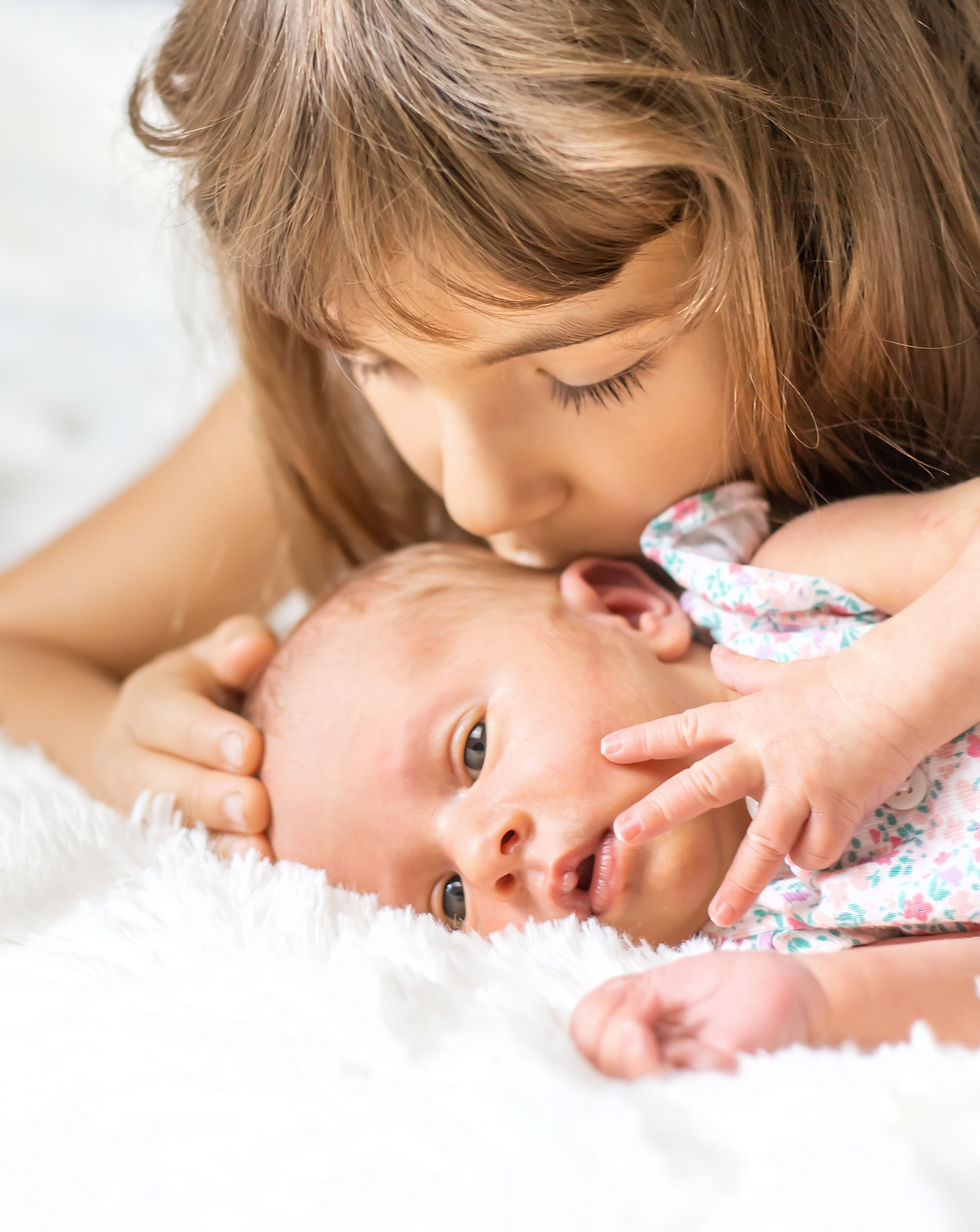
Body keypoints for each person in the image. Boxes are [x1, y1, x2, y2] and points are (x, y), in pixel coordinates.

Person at [0, 2, 976, 923]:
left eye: (590, 375)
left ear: (834, 213)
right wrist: (124, 750)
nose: (474, 497)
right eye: (369, 361)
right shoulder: (360, 401)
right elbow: (18, 643)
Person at [245, 477, 980, 1075]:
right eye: (451, 897)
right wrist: (823, 1003)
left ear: (626, 611)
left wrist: (878, 699)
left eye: (473, 749)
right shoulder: (767, 953)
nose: (481, 853)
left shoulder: (785, 593)